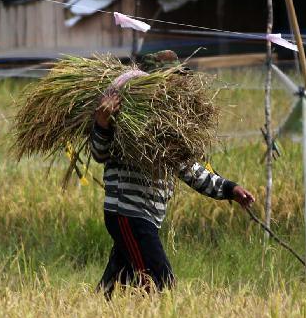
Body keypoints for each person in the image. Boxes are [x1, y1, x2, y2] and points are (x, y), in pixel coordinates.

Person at [90, 51, 254, 298]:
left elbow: (192, 170)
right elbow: (99, 154)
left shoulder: (168, 127)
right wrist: (102, 123)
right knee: (161, 283)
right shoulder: (124, 117)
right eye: (170, 78)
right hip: (129, 213)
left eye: (178, 78)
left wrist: (230, 189)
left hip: (144, 218)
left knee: (113, 287)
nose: (177, 84)